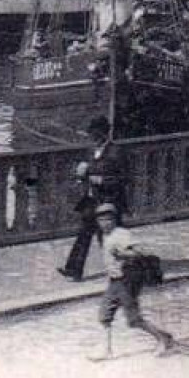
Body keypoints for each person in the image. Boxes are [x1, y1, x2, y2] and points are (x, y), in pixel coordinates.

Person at [91, 203, 176, 359]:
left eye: (108, 219)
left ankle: (163, 338)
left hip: (127, 281)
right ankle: (107, 350)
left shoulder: (121, 234)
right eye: (101, 220)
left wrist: (123, 254)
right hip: (114, 281)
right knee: (104, 315)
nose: (104, 223)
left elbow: (139, 252)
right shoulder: (105, 235)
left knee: (134, 320)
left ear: (114, 219)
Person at [59, 116, 126, 281]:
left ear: (105, 134)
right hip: (92, 200)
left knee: (109, 238)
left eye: (96, 134)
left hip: (109, 201)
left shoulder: (116, 152)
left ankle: (122, 269)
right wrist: (81, 172)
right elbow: (88, 172)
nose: (93, 138)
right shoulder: (92, 151)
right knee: (85, 233)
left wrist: (101, 180)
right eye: (92, 135)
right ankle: (74, 270)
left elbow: (123, 178)